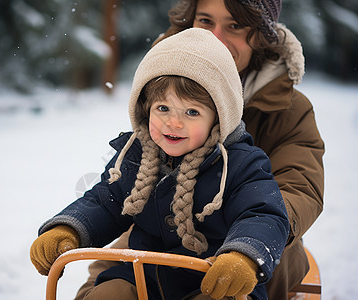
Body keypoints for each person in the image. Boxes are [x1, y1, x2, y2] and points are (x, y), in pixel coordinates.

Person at [74, 0, 325, 299]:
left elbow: (300, 186)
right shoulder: (167, 79)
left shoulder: (287, 109)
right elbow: (115, 192)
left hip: (248, 237)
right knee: (108, 281)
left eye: (234, 26)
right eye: (205, 21)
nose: (216, 37)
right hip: (160, 231)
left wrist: (251, 236)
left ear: (260, 34)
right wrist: (75, 226)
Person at [30, 28, 290, 300]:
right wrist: (68, 228)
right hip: (143, 276)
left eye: (192, 112)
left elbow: (263, 214)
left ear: (218, 118)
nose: (173, 123)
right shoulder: (134, 156)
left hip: (213, 279)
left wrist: (243, 255)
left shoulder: (241, 164)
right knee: (109, 294)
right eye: (163, 108)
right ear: (146, 109)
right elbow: (103, 202)